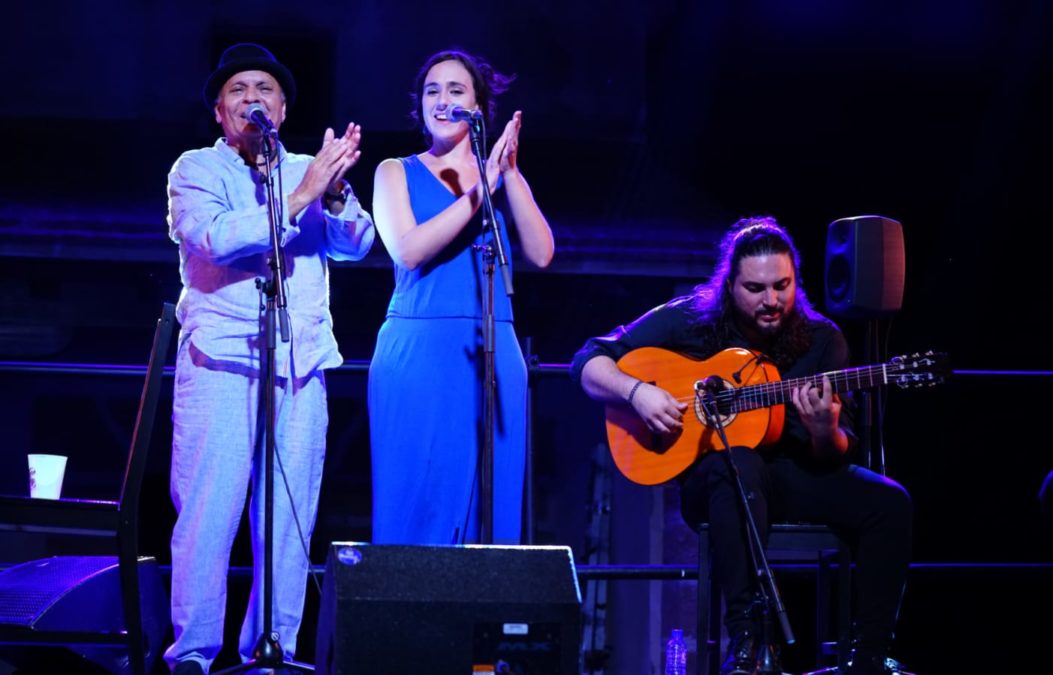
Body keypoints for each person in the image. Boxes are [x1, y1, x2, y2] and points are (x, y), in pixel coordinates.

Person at [571, 217, 913, 675]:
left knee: (890, 502)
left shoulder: (822, 340)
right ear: (729, 285)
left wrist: (822, 429)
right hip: (714, 483)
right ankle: (750, 646)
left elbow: (836, 451)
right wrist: (639, 393)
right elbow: (588, 360)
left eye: (782, 285)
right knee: (740, 463)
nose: (772, 301)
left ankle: (869, 654)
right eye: (756, 288)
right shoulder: (692, 320)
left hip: (794, 476)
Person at [164, 43, 375, 674]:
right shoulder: (196, 169)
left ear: (282, 107)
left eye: (265, 89)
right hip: (222, 362)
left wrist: (332, 194)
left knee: (288, 517)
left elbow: (357, 243)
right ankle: (194, 655)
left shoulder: (308, 168)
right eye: (238, 90)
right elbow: (217, 239)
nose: (252, 98)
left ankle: (271, 652)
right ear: (219, 111)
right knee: (208, 513)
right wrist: (304, 192)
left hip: (300, 364)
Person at [368, 49, 554, 545]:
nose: (443, 100)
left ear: (479, 107)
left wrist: (508, 174)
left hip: (493, 346)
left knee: (490, 510)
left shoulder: (498, 176)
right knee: (417, 502)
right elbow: (408, 250)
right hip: (419, 350)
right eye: (433, 91)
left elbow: (541, 252)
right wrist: (480, 189)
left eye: (456, 90)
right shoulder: (395, 171)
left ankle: (484, 618)